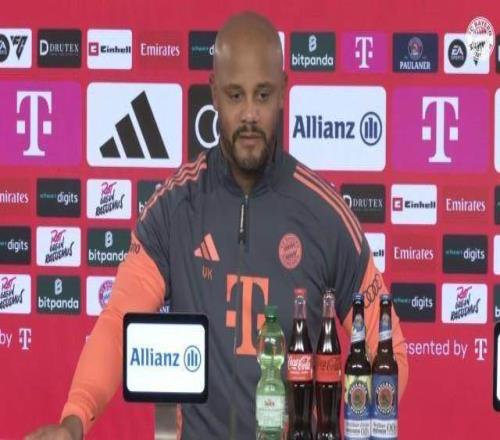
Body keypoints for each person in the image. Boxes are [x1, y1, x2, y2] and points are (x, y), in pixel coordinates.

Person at [26, 11, 408, 440]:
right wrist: (74, 419)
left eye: (263, 95)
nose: (249, 114)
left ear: (284, 92)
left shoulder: (325, 215)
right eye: (235, 95)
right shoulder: (174, 209)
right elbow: (119, 322)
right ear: (213, 94)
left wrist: (364, 425)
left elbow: (388, 348)